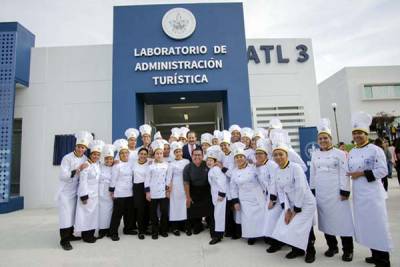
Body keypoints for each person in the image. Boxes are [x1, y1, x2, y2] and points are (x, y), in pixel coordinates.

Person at [347, 112, 392, 267]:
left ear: (366, 134)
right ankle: (375, 254)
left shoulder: (375, 150)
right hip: (359, 195)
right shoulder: (352, 152)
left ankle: (384, 260)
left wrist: (361, 173)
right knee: (367, 226)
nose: (357, 136)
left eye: (359, 133)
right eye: (354, 133)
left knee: (378, 226)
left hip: (373, 194)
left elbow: (383, 170)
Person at [310, 118, 354, 262]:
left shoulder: (340, 154)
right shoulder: (315, 154)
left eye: (325, 138)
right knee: (326, 221)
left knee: (343, 222)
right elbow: (313, 173)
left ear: (331, 139)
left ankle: (348, 250)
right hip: (322, 193)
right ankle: (332, 246)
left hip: (337, 193)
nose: (323, 140)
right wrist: (313, 190)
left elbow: (344, 173)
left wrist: (345, 190)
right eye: (320, 138)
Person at [270, 138, 317, 263]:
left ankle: (310, 251)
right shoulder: (276, 170)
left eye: (281, 154)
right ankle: (297, 250)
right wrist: (286, 209)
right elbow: (280, 190)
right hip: (291, 203)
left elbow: (301, 188)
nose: (278, 157)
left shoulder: (296, 168)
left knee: (302, 227)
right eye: (275, 155)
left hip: (305, 203)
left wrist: (295, 209)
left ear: (287, 155)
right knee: (289, 225)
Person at [57, 130, 92, 251]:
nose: (81, 149)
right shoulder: (67, 158)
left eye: (83, 148)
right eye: (79, 147)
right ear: (75, 146)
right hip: (66, 191)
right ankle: (64, 241)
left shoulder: (86, 158)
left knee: (73, 215)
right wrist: (77, 169)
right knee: (65, 216)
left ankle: (70, 235)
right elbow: (63, 175)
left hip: (77, 191)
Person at [230, 142, 266, 245]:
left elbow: (262, 180)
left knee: (261, 216)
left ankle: (264, 234)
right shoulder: (234, 172)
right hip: (244, 197)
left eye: (241, 156)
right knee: (248, 218)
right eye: (237, 157)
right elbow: (233, 188)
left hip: (257, 195)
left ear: (245, 158)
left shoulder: (254, 167)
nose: (239, 159)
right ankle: (251, 236)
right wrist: (235, 201)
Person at [254, 138, 282, 253]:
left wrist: (272, 199)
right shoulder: (258, 166)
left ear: (266, 155)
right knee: (270, 219)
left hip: (277, 197)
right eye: (257, 154)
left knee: (272, 219)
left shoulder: (271, 165)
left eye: (261, 153)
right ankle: (273, 240)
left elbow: (274, 182)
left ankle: (276, 244)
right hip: (267, 197)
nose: (258, 156)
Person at [75, 140, 105, 243]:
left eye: (98, 155)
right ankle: (86, 236)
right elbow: (82, 182)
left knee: (93, 215)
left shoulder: (97, 164)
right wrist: (84, 196)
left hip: (95, 195)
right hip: (87, 194)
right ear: (90, 154)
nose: (96, 156)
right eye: (94, 154)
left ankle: (91, 234)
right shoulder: (86, 165)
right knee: (86, 215)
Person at [109, 139, 136, 241]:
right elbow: (113, 180)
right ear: (119, 155)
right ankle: (113, 232)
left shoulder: (131, 164)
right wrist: (112, 192)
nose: (125, 155)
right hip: (119, 193)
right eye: (122, 153)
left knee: (129, 213)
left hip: (129, 192)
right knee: (117, 214)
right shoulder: (116, 166)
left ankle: (128, 229)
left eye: (126, 153)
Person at [183, 147, 213, 235]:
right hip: (194, 189)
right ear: (192, 156)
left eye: (199, 155)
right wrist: (188, 197)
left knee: (209, 210)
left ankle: (211, 225)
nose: (197, 157)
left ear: (203, 156)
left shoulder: (207, 164)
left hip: (207, 190)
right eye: (195, 155)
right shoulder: (188, 167)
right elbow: (186, 183)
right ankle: (198, 225)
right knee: (194, 211)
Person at [145, 140, 170, 239]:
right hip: (153, 192)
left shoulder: (167, 165)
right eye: (157, 153)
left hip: (163, 193)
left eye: (160, 153)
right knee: (153, 213)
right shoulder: (150, 166)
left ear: (162, 154)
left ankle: (163, 230)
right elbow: (147, 179)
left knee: (164, 211)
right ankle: (155, 231)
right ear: (154, 154)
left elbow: (168, 178)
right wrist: (147, 193)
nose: (159, 155)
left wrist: (167, 190)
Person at [219, 130, 240, 239]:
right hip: (227, 187)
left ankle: (237, 232)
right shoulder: (222, 156)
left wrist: (222, 168)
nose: (223, 147)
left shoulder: (234, 155)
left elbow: (233, 173)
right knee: (229, 211)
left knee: (236, 211)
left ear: (229, 145)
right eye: (221, 146)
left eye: (225, 145)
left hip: (235, 186)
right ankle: (230, 231)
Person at [167, 141, 190, 236]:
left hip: (185, 186)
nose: (178, 153)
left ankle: (185, 227)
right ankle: (175, 228)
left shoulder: (186, 161)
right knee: (175, 207)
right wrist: (168, 189)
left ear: (182, 152)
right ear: (174, 153)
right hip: (175, 187)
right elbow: (169, 177)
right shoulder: (171, 164)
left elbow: (189, 174)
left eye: (179, 151)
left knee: (184, 206)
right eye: (176, 152)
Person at [206, 145, 227, 245]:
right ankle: (216, 233)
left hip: (220, 196)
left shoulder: (216, 170)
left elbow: (222, 182)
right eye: (207, 160)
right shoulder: (211, 170)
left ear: (215, 161)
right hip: (215, 196)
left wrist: (222, 194)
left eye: (211, 160)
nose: (209, 162)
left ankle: (218, 236)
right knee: (216, 215)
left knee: (219, 216)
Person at [98, 144, 115, 239]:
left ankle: (109, 229)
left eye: (111, 159)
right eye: (107, 159)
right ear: (104, 159)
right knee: (101, 211)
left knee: (110, 211)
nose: (109, 161)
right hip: (101, 192)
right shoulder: (100, 166)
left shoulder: (115, 167)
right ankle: (102, 230)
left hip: (111, 192)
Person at [132, 147, 150, 240]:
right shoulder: (133, 163)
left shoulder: (150, 163)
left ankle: (146, 228)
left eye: (145, 154)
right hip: (137, 188)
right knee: (140, 210)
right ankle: (141, 230)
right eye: (141, 153)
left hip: (147, 187)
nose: (143, 155)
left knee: (147, 209)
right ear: (138, 154)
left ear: (147, 155)